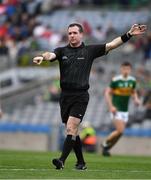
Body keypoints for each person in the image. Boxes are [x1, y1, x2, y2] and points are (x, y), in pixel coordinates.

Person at [33, 23, 146, 170]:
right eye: (70, 33)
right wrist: (43, 57)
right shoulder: (62, 51)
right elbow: (51, 54)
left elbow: (111, 45)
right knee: (73, 131)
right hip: (65, 96)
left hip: (80, 96)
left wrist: (129, 34)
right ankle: (81, 163)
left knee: (71, 127)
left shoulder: (89, 50)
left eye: (74, 33)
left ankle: (61, 161)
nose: (72, 35)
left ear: (81, 34)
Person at [102, 62, 141, 156]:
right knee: (120, 130)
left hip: (125, 110)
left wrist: (136, 99)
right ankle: (104, 143)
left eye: (128, 69)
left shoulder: (132, 80)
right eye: (124, 69)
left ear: (130, 70)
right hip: (116, 109)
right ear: (121, 69)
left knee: (120, 133)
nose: (126, 71)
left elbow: (133, 91)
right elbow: (107, 93)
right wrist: (111, 107)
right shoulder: (116, 80)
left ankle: (107, 149)